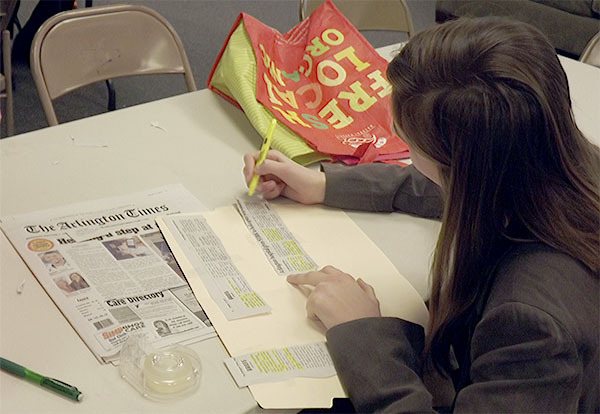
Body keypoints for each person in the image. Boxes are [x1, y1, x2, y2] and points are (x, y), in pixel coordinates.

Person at [243, 17, 599, 413]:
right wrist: (323, 185)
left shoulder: (532, 326)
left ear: (459, 168)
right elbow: (459, 187)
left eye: (407, 140)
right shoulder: (565, 167)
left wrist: (360, 331)